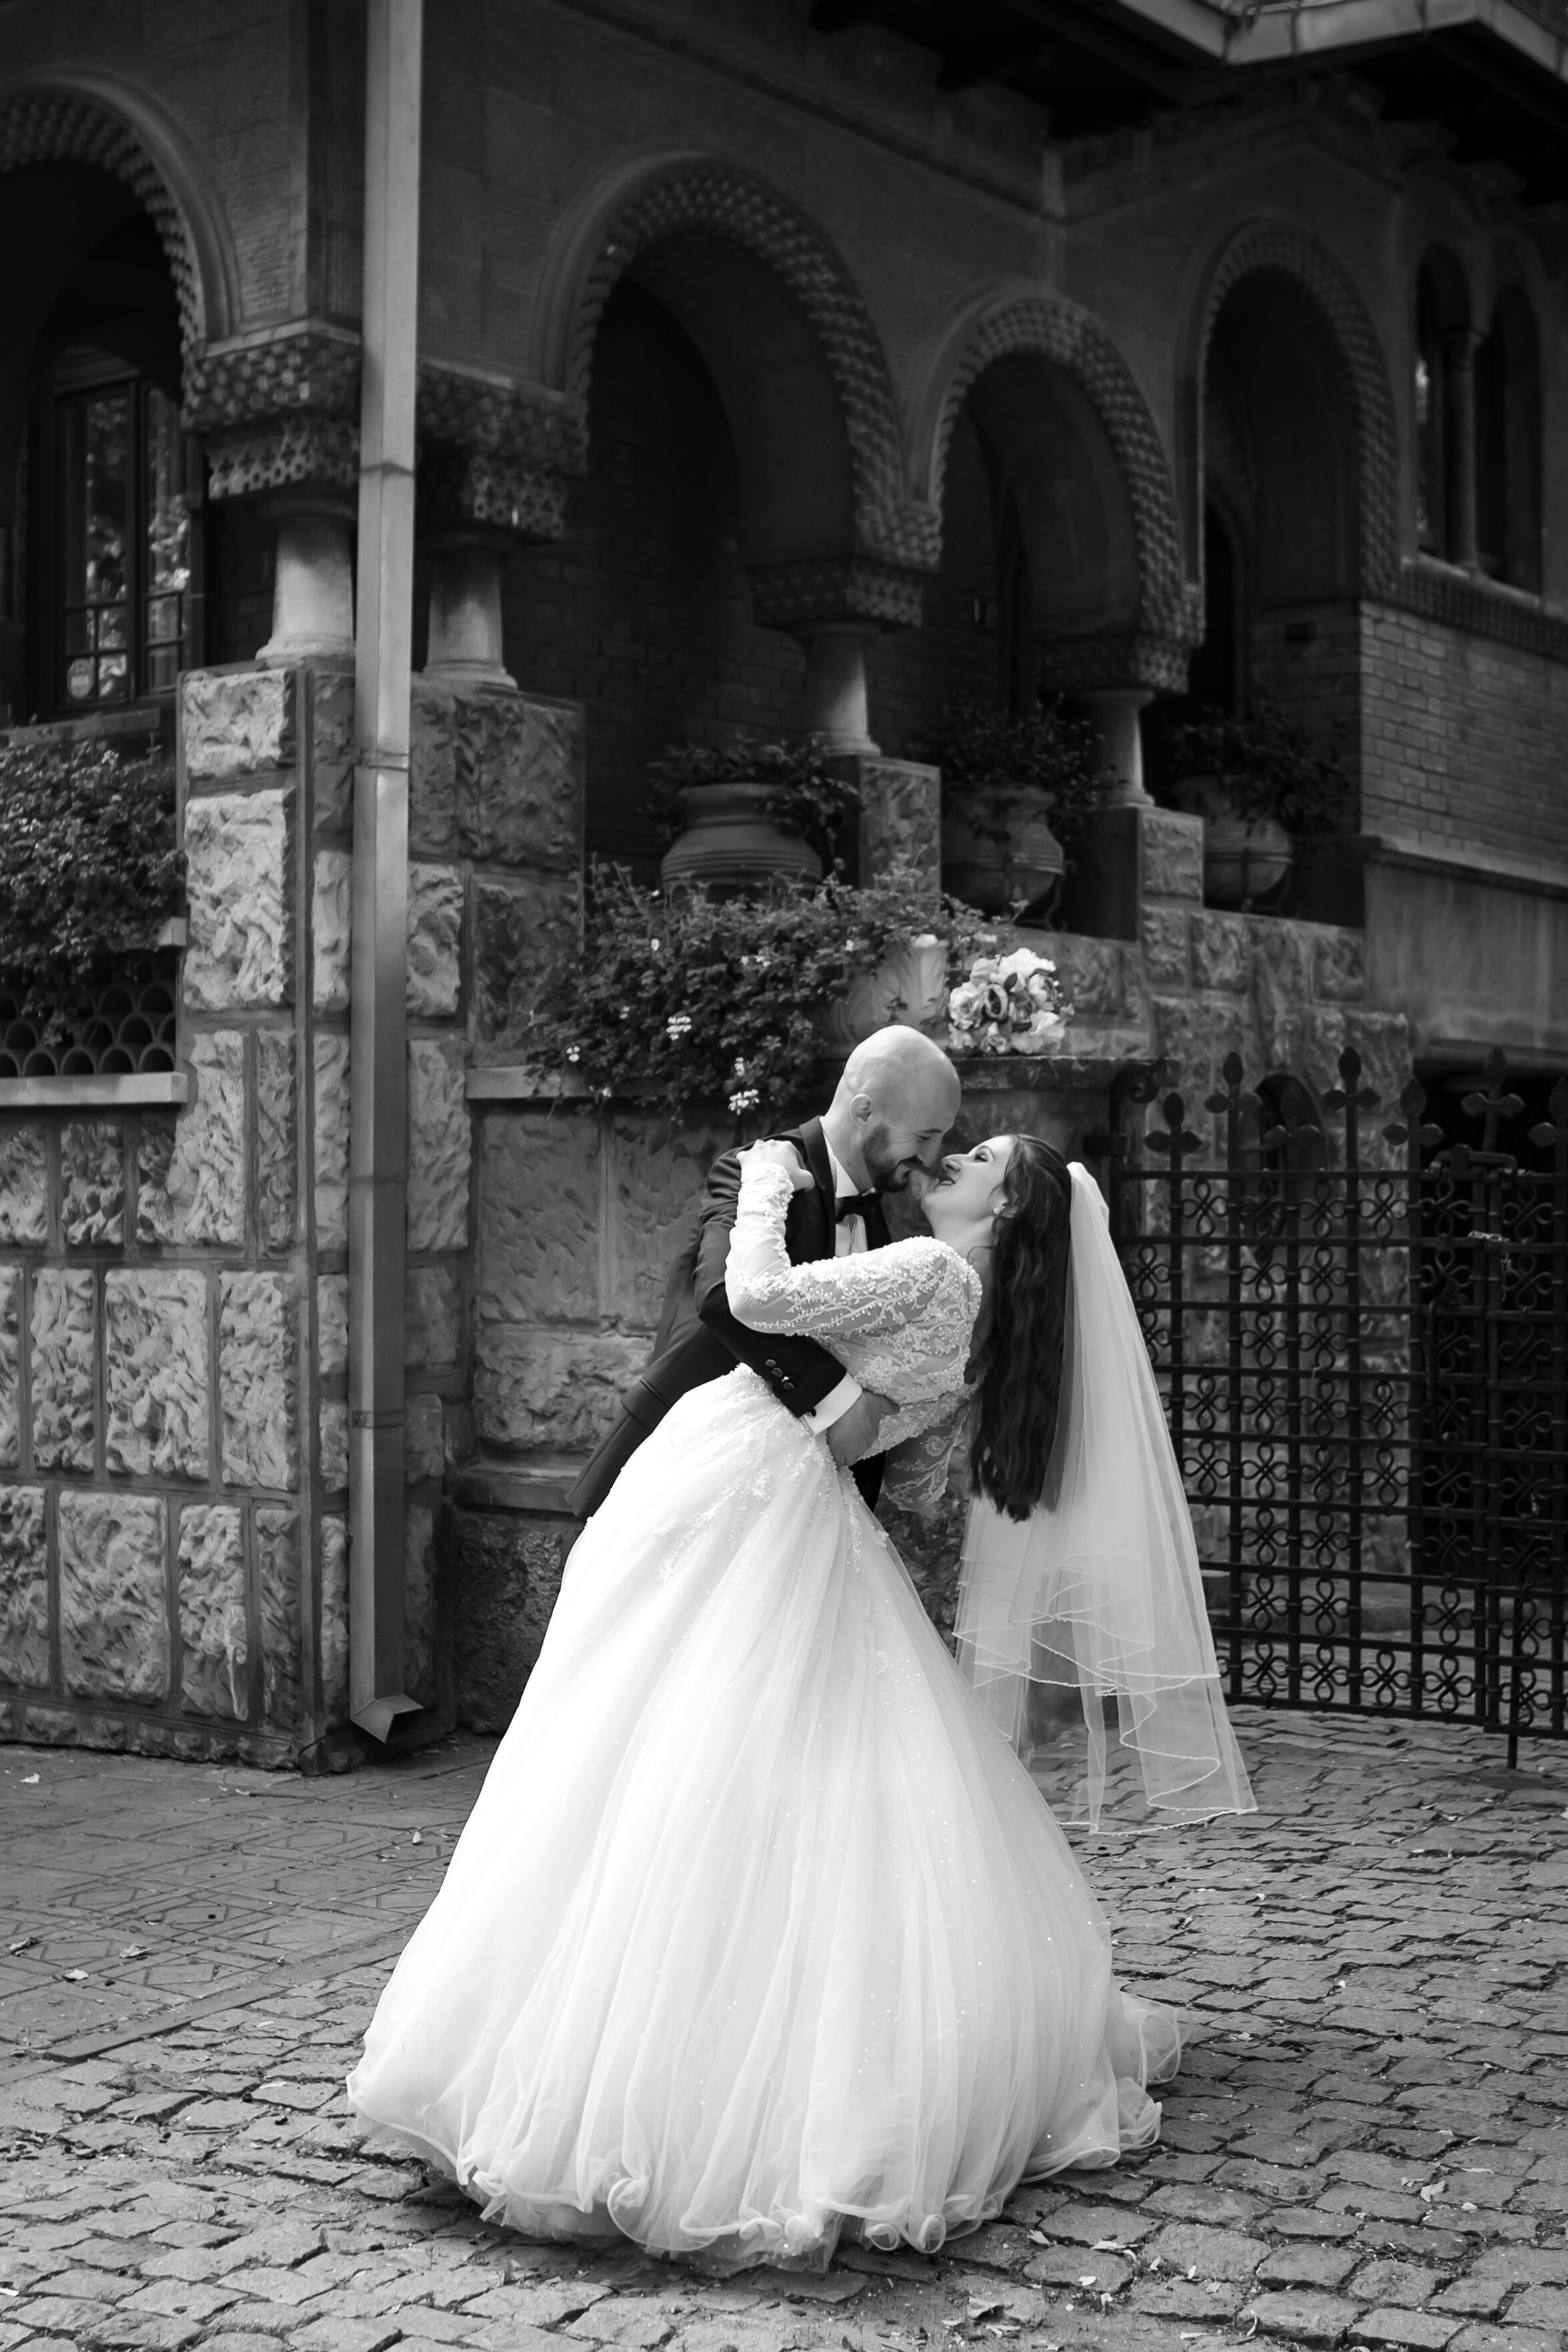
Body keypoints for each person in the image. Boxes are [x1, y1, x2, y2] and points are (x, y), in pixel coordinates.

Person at [348, 1127, 1250, 2272]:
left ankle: (652, 2077)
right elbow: (877, 1436)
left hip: (754, 1495)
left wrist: (769, 1169)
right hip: (802, 1506)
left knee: (672, 1747)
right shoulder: (972, 1319)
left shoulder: (932, 1268)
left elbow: (754, 1296)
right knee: (771, 1757)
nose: (950, 1160)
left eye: (975, 1158)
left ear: (1007, 1206)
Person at [565, 1025, 962, 1519]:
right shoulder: (756, 1169)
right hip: (681, 1475)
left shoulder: (876, 1217)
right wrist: (841, 1399)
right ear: (864, 1111)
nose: (932, 1157)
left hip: (799, 1508)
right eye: (924, 1136)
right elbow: (719, 1298)